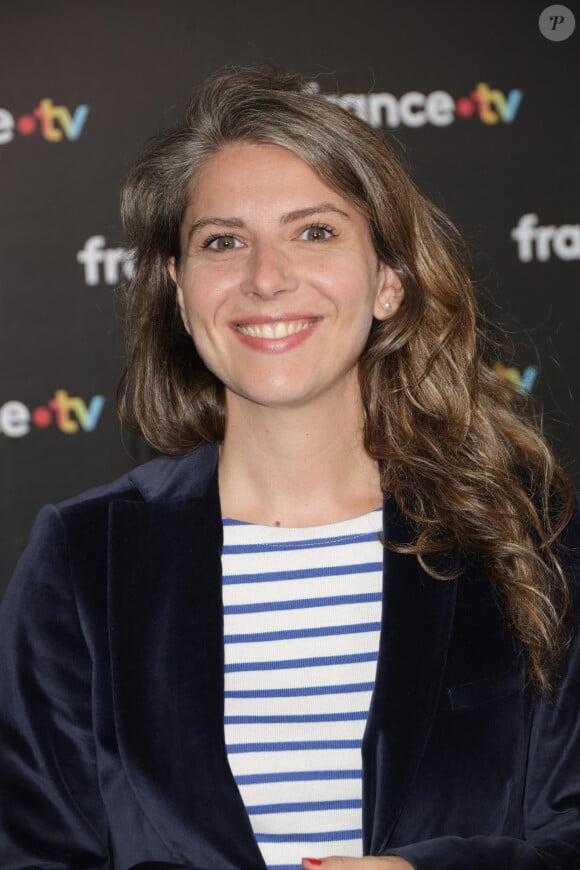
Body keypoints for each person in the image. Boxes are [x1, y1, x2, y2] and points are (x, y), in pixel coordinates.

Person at [1, 67, 579, 870]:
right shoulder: (82, 559)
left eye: (315, 231)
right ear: (178, 289)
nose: (265, 278)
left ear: (388, 282)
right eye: (223, 241)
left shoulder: (526, 538)